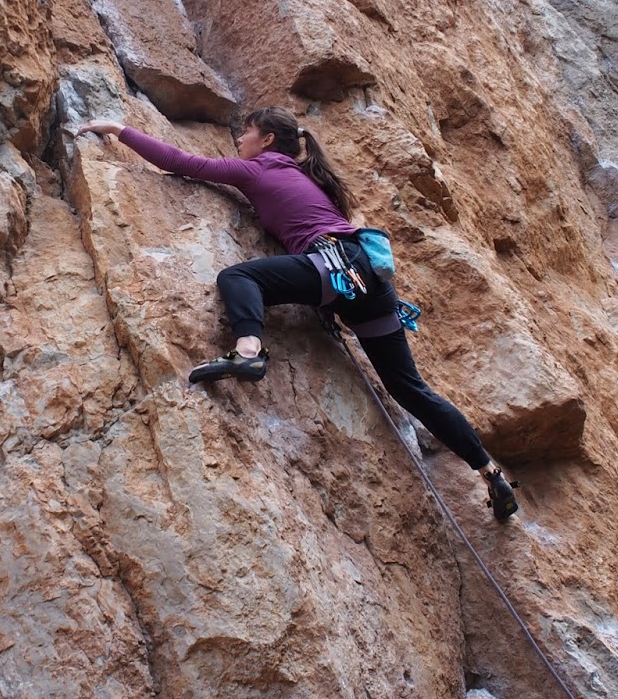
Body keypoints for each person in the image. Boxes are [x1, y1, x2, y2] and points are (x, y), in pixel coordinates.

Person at [77, 107, 520, 520]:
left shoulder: (260, 167)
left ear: (267, 139)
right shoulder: (311, 178)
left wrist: (118, 130)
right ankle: (491, 474)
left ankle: (248, 350)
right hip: (368, 280)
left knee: (238, 278)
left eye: (245, 133)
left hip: (334, 268)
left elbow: (183, 162)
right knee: (410, 389)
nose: (238, 140)